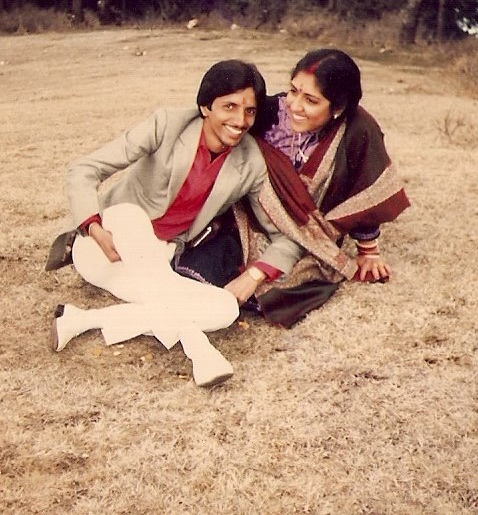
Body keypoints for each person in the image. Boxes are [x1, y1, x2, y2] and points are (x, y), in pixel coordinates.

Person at [47, 60, 302, 386]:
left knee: (225, 308)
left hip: (156, 262)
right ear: (205, 106)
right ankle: (198, 348)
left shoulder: (251, 161)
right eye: (229, 107)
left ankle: (80, 320)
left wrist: (255, 275)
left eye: (249, 111)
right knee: (132, 217)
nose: (240, 121)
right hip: (106, 244)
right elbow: (84, 169)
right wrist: (93, 227)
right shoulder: (167, 125)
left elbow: (284, 235)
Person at [233, 48, 411, 328]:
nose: (295, 106)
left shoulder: (358, 130)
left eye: (311, 100)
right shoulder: (270, 111)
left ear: (337, 107)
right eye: (293, 91)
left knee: (294, 279)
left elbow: (364, 189)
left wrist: (368, 251)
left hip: (310, 232)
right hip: (254, 217)